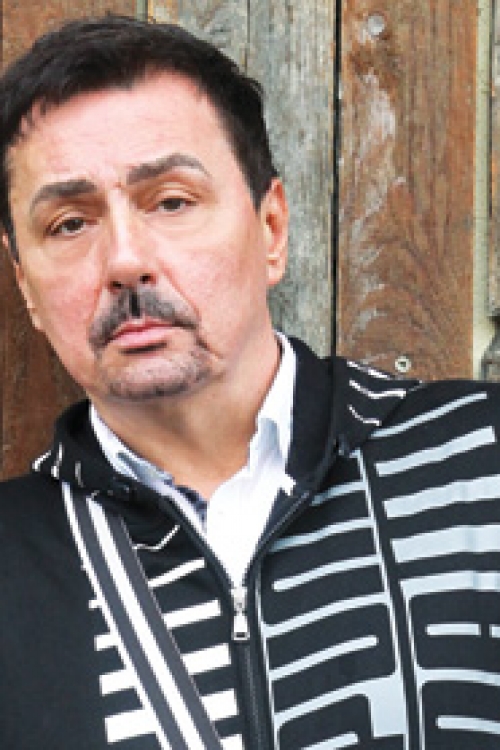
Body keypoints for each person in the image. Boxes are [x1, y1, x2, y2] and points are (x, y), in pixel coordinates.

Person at [1, 13, 500, 750]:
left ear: (271, 229)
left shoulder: (479, 463)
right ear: (25, 286)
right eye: (70, 224)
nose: (125, 261)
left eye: (171, 201)